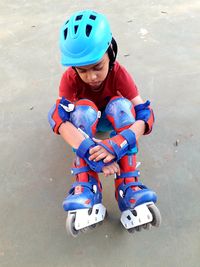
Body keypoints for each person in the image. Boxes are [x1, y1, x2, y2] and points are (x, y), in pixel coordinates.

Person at [48, 9, 161, 237]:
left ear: (111, 52)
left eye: (97, 67)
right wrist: (90, 150)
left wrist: (119, 142)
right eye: (82, 70)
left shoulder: (119, 73)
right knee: (81, 111)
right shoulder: (70, 78)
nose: (91, 77)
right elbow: (58, 119)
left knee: (121, 106)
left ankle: (128, 183)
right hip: (86, 128)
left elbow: (145, 115)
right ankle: (87, 184)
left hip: (113, 125)